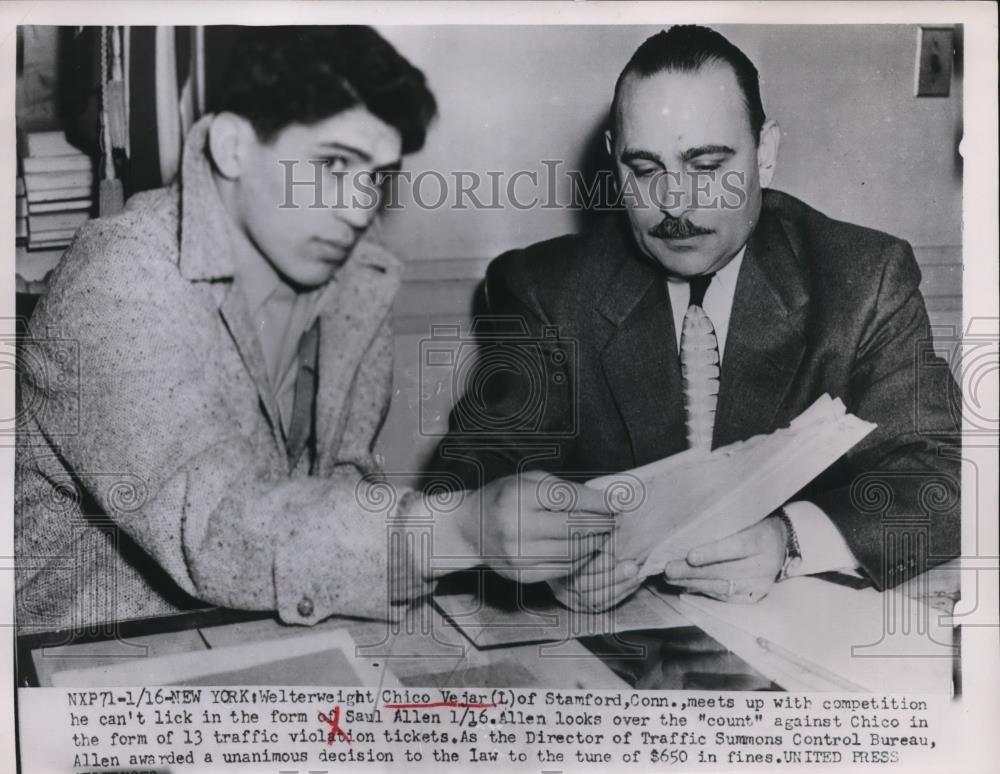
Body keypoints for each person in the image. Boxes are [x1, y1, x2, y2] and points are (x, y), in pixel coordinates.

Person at [15, 26, 616, 633]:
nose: (358, 210)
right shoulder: (116, 280)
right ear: (232, 147)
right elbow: (216, 522)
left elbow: (344, 484)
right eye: (332, 164)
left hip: (254, 638)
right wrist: (457, 529)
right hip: (85, 652)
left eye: (375, 177)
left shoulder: (357, 277)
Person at [428, 25, 961, 612]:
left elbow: (947, 480)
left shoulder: (865, 277)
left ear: (766, 154)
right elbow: (462, 489)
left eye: (706, 166)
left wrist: (788, 540)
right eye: (645, 169)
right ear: (613, 162)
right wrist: (536, 562)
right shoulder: (546, 290)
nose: (675, 204)